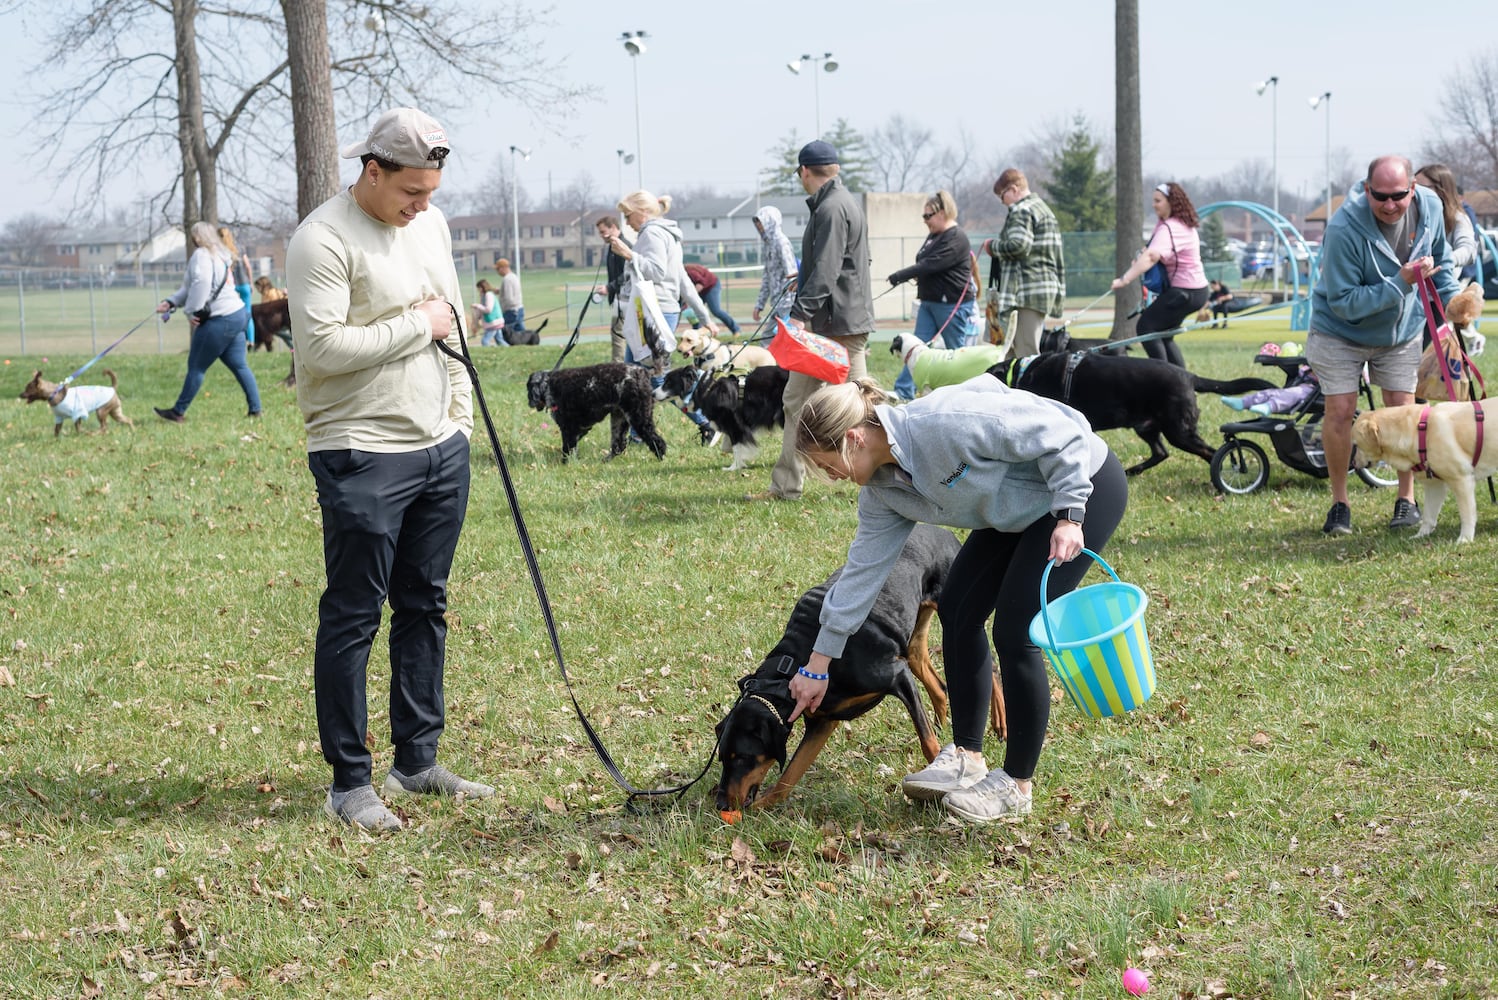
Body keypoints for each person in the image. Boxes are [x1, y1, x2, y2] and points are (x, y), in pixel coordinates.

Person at [785, 374, 1127, 823]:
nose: (830, 477)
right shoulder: (882, 492)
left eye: (827, 464)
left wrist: (1069, 512)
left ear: (853, 438)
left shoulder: (945, 424)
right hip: (1016, 511)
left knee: (1015, 628)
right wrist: (817, 664)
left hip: (1082, 485)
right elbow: (860, 577)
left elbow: (1062, 433)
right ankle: (967, 757)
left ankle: (1016, 786)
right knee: (959, 607)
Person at [285, 106, 491, 833]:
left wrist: (458, 422)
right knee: (353, 615)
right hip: (360, 448)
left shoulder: (427, 225)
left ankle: (418, 759)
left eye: (432, 192)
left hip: (440, 447)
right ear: (371, 171)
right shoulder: (321, 239)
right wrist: (418, 327)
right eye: (410, 191)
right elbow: (321, 350)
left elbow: (454, 320)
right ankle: (350, 783)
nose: (422, 207)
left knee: (425, 604)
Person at [1307, 154, 1461, 536]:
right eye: (1380, 196)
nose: (1390, 205)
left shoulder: (1429, 206)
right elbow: (1343, 301)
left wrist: (1455, 309)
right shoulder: (1344, 228)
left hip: (1400, 331)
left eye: (1398, 196)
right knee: (1341, 411)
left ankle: (1405, 501)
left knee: (1403, 412)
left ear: (1413, 189)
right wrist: (1401, 282)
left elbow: (1439, 261)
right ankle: (1340, 504)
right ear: (1366, 190)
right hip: (1339, 331)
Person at [748, 140, 874, 502]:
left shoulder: (831, 208)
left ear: (805, 171)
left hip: (835, 326)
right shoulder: (846, 202)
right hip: (842, 319)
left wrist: (801, 315)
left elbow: (827, 269)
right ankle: (787, 485)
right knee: (800, 399)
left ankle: (889, 474)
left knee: (864, 409)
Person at [603, 189, 721, 443]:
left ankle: (706, 423)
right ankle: (636, 435)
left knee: (656, 378)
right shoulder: (668, 234)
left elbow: (655, 272)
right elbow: (683, 282)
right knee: (634, 375)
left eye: (628, 215)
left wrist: (629, 254)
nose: (627, 223)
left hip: (653, 312)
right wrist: (705, 317)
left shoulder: (652, 234)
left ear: (642, 211)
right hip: (659, 310)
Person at [153, 221, 262, 422]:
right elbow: (189, 287)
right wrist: (170, 302)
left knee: (196, 366)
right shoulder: (221, 254)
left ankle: (178, 412)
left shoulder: (202, 255)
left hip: (220, 319)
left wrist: (191, 311)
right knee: (239, 364)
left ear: (196, 237)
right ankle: (256, 409)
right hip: (238, 314)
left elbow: (201, 284)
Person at [888, 190, 976, 401]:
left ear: (943, 213)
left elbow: (932, 264)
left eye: (928, 216)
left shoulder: (956, 237)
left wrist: (902, 275)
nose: (925, 221)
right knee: (917, 348)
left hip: (950, 304)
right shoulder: (934, 236)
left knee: (957, 351)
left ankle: (968, 391)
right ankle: (903, 390)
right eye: (923, 216)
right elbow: (924, 261)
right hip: (929, 302)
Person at [1111, 182, 1209, 368]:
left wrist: (1125, 279)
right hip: (1194, 291)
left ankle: (1163, 379)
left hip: (1186, 292)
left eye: (1158, 201)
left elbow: (1151, 256)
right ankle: (1180, 381)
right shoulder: (1176, 224)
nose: (1154, 204)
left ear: (1171, 202)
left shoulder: (1171, 227)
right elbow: (1150, 251)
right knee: (1164, 334)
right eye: (1153, 201)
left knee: (1146, 328)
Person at [983, 169, 1065, 360]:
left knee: (1026, 353)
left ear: (1013, 189)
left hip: (1026, 291)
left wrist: (992, 246)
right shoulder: (1042, 208)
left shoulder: (1022, 209)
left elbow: (1019, 246)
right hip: (1039, 289)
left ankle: (1028, 390)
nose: (1002, 202)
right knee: (1012, 351)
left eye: (1002, 196)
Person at [1414, 163, 1477, 281]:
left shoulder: (1458, 218)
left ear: (1441, 190)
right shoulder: (1410, 218)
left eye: (1421, 188)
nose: (1414, 193)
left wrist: (1443, 261)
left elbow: (1469, 250)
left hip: (1445, 287)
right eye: (1413, 187)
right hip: (1415, 290)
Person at [751, 205, 797, 325]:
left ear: (770, 222)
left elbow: (791, 273)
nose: (758, 225)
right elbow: (767, 277)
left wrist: (791, 300)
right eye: (756, 222)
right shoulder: (768, 245)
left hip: (787, 304)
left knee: (776, 340)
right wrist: (759, 305)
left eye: (760, 222)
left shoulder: (782, 243)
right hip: (776, 303)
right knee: (768, 339)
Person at [219, 226, 255, 345]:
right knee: (248, 313)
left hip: (231, 287)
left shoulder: (220, 250)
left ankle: (238, 340)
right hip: (244, 285)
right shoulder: (239, 248)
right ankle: (251, 341)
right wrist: (251, 283)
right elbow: (248, 266)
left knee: (233, 313)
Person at [685, 262, 741, 333]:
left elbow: (700, 284)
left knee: (716, 310)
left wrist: (690, 297)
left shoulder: (689, 272)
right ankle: (697, 332)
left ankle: (736, 330)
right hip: (701, 290)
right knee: (692, 311)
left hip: (711, 286)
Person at [494, 258, 526, 337]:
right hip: (519, 308)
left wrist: (504, 308)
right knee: (520, 333)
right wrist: (500, 291)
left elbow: (509, 298)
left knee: (508, 335)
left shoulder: (507, 279)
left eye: (498, 269)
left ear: (503, 268)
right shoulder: (513, 276)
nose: (497, 272)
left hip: (511, 311)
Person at [472, 278, 506, 346]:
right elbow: (482, 308)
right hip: (494, 322)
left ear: (482, 287)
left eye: (479, 288)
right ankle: (508, 349)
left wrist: (477, 306)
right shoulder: (483, 296)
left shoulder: (489, 295)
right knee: (499, 340)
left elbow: (488, 309)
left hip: (493, 322)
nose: (478, 290)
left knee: (485, 341)